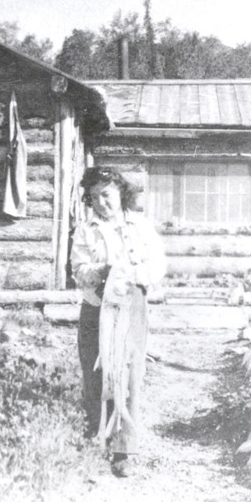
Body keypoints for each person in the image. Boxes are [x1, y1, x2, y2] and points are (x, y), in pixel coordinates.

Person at [70, 166, 166, 477]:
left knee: (129, 377)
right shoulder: (86, 230)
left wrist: (128, 274)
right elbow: (78, 271)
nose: (101, 202)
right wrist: (101, 271)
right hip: (96, 308)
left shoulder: (139, 226)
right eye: (94, 197)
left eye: (107, 195)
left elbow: (157, 267)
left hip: (131, 307)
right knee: (96, 373)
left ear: (120, 194)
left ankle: (124, 449)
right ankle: (96, 442)